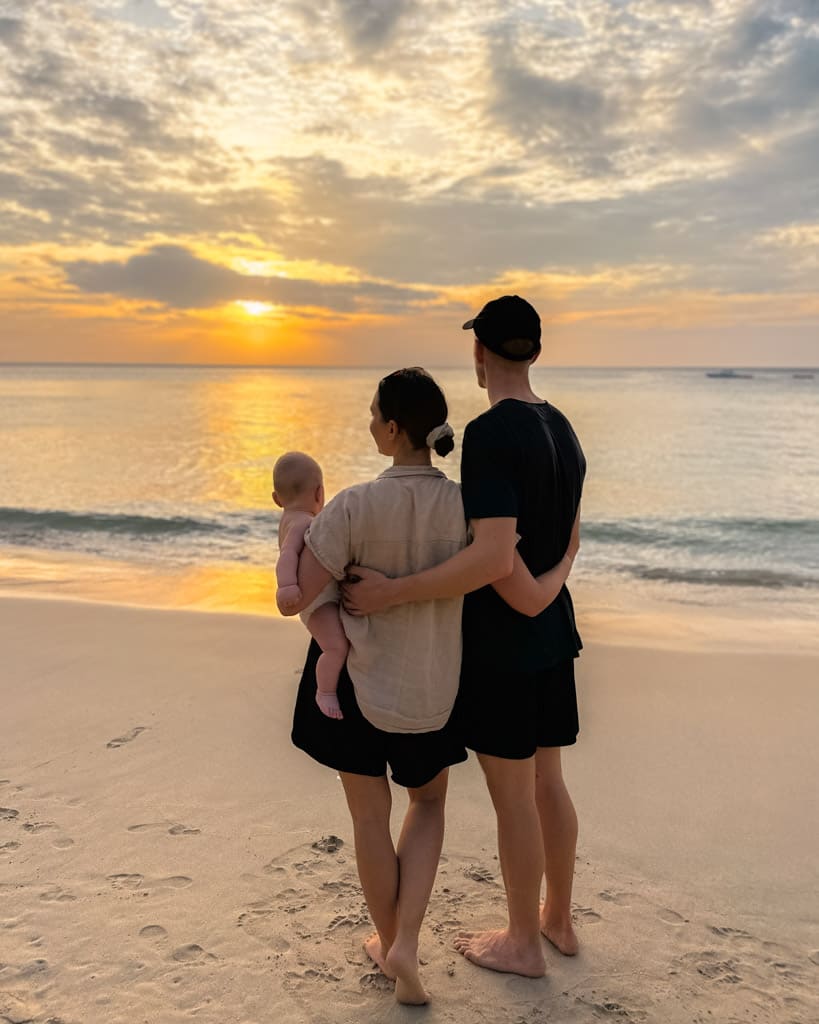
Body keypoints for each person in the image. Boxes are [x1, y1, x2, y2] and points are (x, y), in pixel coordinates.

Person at [281, 367, 576, 1004]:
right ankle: (409, 940)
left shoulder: (354, 504)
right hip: (431, 688)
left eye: (372, 415)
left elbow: (295, 598)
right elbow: (499, 568)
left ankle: (389, 945)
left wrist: (299, 527)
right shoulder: (466, 507)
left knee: (368, 817)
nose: (368, 424)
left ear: (391, 430)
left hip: (354, 683)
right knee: (429, 805)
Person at [342, 296, 586, 980]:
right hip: (553, 634)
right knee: (548, 784)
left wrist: (390, 592)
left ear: (478, 352)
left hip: (507, 643)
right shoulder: (562, 428)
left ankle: (521, 942)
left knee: (514, 796)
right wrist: (552, 585)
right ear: (534, 352)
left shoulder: (488, 434)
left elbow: (491, 556)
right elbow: (566, 536)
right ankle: (557, 919)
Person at [273, 452, 348, 719]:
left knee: (338, 642)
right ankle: (325, 691)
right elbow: (288, 555)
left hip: (320, 599)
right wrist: (286, 586)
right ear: (320, 494)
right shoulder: (306, 521)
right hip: (317, 604)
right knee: (336, 647)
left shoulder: (287, 520)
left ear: (276, 499)